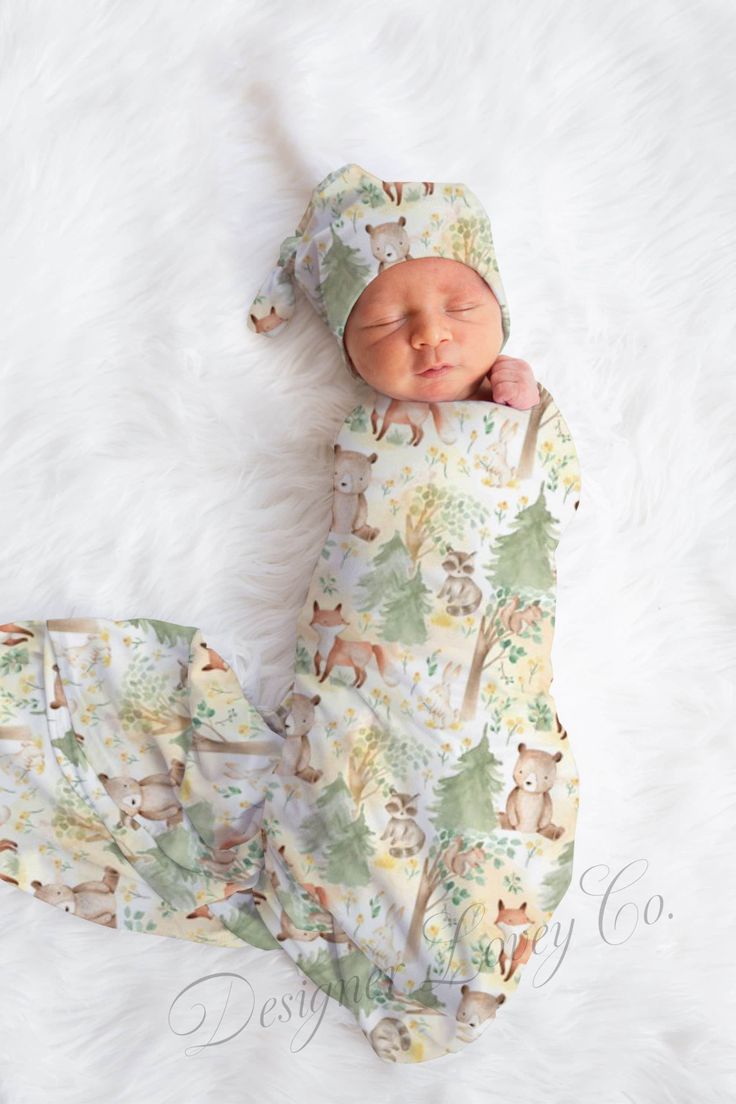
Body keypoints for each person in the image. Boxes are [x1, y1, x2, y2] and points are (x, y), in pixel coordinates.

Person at [0, 164, 582, 1064]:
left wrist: (528, 411)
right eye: (388, 322)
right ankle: (400, 918)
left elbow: (553, 507)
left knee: (478, 781)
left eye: (460, 308)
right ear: (351, 356)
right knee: (343, 773)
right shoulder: (371, 431)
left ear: (503, 317)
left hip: (496, 692)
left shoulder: (521, 419)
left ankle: (435, 928)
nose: (430, 335)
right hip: (367, 692)